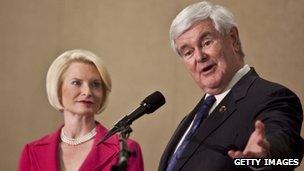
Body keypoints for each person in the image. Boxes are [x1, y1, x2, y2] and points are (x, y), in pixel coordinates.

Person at [158, 1, 303, 171]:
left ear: (233, 38)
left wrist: (263, 158)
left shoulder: (272, 97)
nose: (199, 56)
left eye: (206, 42)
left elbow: (282, 145)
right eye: (188, 52)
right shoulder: (191, 119)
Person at [18, 49, 144, 171]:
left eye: (95, 84)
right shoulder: (32, 151)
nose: (87, 92)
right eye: (76, 83)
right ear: (57, 89)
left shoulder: (126, 150)